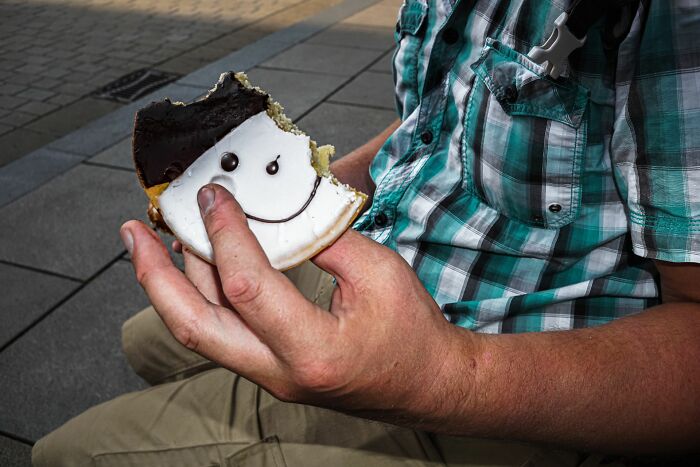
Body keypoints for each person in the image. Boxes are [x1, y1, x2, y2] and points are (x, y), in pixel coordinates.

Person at [33, 0, 700, 465]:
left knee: (64, 452)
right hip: (392, 245)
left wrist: (448, 376)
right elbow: (456, 108)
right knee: (144, 339)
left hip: (513, 368)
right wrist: (322, 193)